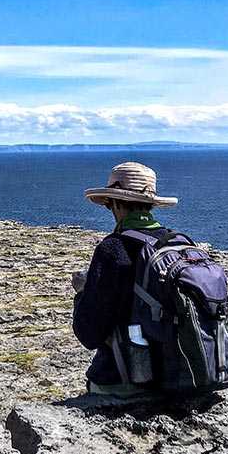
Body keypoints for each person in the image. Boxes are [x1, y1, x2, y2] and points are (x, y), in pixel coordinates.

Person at [72, 162, 177, 396]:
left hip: (125, 381)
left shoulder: (113, 248)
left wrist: (82, 292)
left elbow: (88, 333)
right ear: (151, 205)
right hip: (180, 375)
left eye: (109, 204)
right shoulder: (177, 243)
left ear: (115, 203)